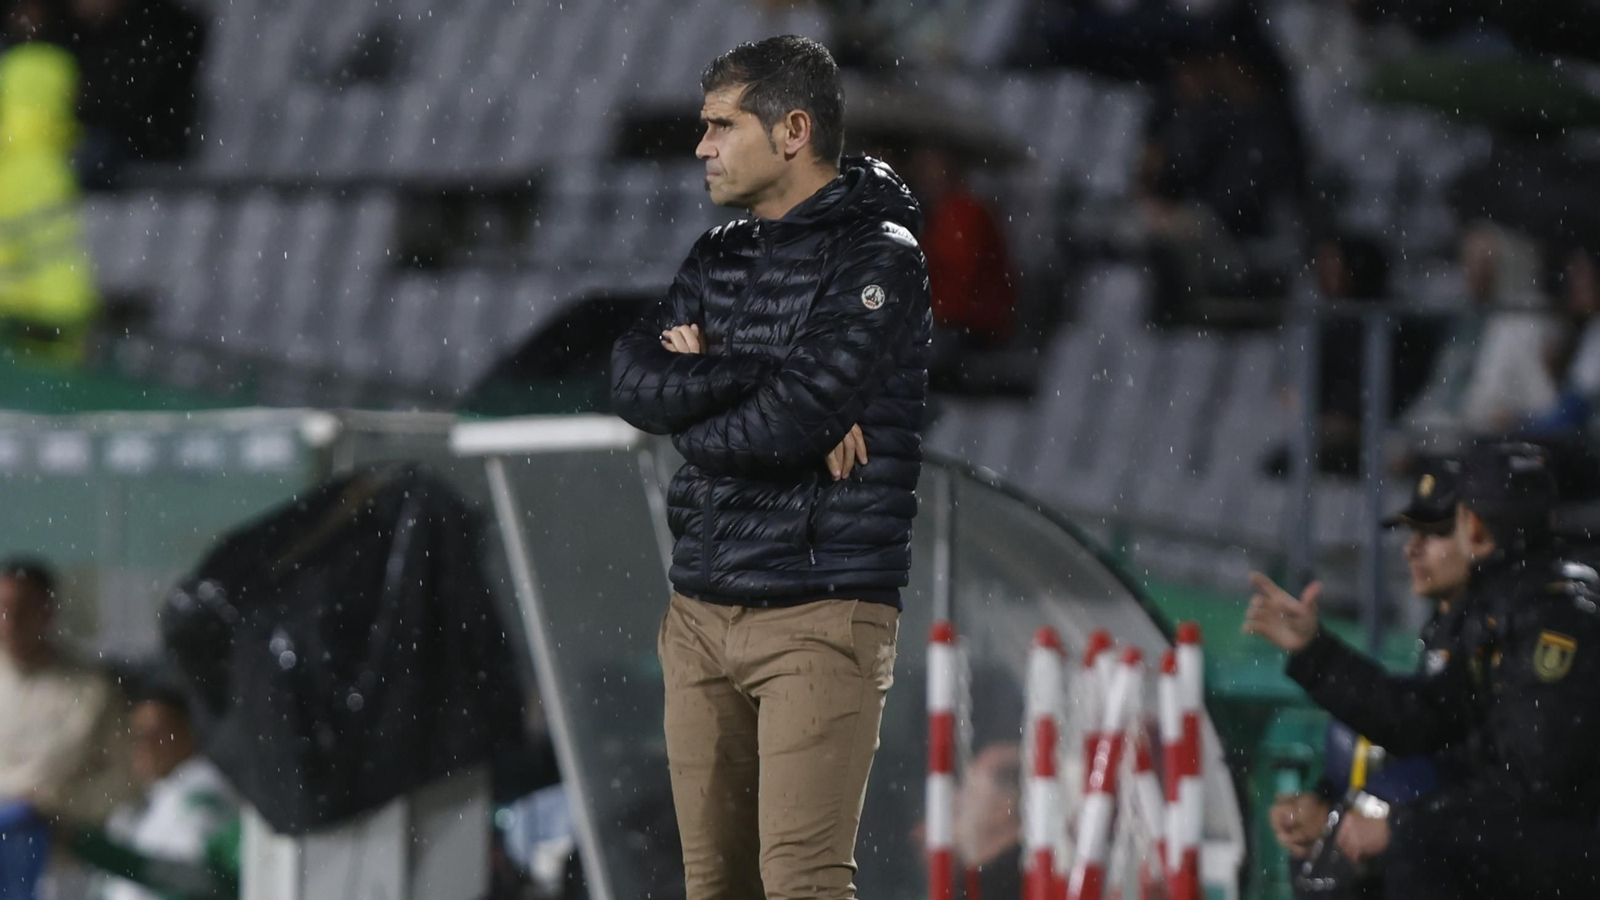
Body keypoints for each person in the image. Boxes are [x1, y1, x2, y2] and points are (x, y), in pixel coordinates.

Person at [609, 34, 931, 900]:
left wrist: (704, 397)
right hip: (699, 610)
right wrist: (763, 380)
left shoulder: (883, 258)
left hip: (821, 614)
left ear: (793, 131)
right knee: (714, 887)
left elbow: (789, 421)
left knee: (801, 885)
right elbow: (634, 381)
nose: (702, 146)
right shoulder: (719, 252)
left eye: (721, 125)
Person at [1244, 443, 1600, 899]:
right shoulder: (1499, 609)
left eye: (1436, 529)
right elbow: (1424, 721)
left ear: (1473, 527)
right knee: (1339, 858)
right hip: (1530, 829)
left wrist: (1398, 822)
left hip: (1568, 840)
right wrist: (1316, 653)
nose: (1411, 549)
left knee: (1412, 843)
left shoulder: (1554, 618)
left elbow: (1536, 789)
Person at [1260, 457, 1471, 896]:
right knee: (1319, 867)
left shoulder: (1511, 634)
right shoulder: (1450, 625)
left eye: (1434, 533)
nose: (1412, 548)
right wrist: (1325, 800)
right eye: (1413, 533)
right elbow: (1418, 728)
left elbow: (1456, 760)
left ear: (1479, 535)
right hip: (1458, 834)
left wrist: (1370, 822)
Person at [68, 675, 239, 900]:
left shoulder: (204, 794)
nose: (144, 743)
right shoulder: (134, 808)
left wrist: (81, 843)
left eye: (157, 732)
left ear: (187, 732)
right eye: (137, 733)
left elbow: (195, 880)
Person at [0, 557, 132, 824]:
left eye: (23, 609)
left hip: (62, 851)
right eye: (3, 608)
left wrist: (56, 805)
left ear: (48, 612)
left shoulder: (91, 690)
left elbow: (125, 780)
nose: (10, 620)